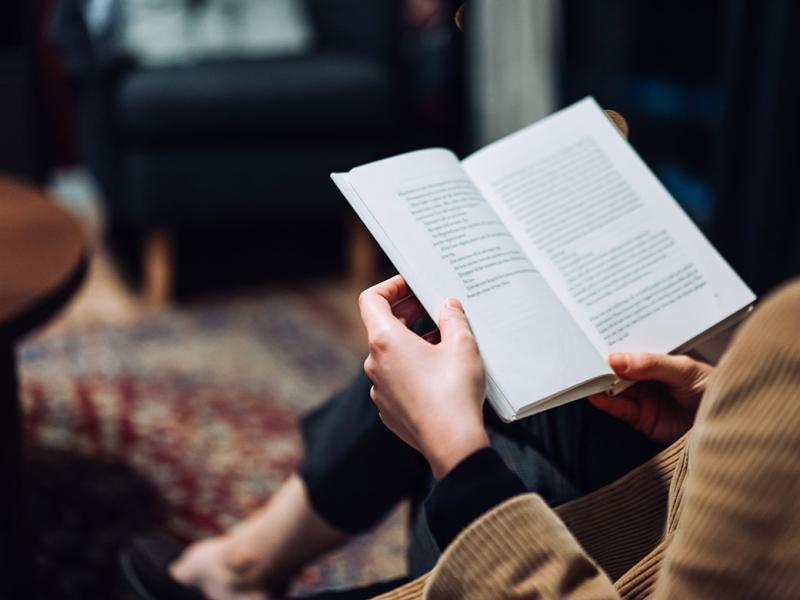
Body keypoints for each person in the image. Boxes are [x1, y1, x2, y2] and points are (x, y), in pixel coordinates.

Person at [351, 275, 800, 598]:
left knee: (449, 350)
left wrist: (455, 451)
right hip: (632, 531)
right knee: (475, 344)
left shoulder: (785, 333)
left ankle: (280, 544)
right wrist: (722, 422)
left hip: (556, 571)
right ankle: (278, 548)